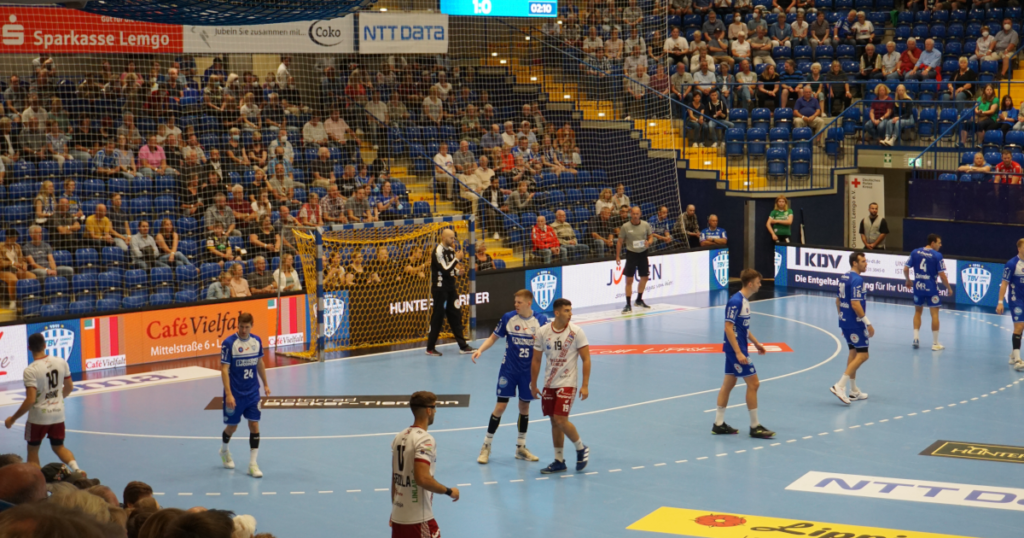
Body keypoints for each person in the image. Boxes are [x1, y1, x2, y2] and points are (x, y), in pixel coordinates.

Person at [471, 289, 547, 464]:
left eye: (519, 302)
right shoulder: (508, 318)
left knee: (524, 408)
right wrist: (480, 350)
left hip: (528, 372)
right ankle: (486, 447)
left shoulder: (541, 321)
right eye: (515, 302)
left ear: (529, 303)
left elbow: (547, 344)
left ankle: (521, 448)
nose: (516, 305)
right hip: (509, 370)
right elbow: (493, 338)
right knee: (500, 407)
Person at [4, 333, 83, 474]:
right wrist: (58, 399)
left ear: (29, 348)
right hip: (58, 415)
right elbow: (70, 386)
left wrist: (13, 419)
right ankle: (77, 470)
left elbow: (30, 399)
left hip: (38, 418)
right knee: (59, 447)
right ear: (45, 345)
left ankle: (38, 483)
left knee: (33, 450)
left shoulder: (31, 370)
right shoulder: (60, 362)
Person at [529, 298, 591, 474]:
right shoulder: (543, 332)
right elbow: (536, 360)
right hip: (550, 383)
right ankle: (559, 461)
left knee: (560, 419)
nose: (570, 314)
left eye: (570, 310)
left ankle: (581, 448)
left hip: (568, 382)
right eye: (566, 311)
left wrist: (585, 385)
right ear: (556, 313)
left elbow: (586, 359)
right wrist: (533, 384)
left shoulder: (576, 332)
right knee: (554, 422)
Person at [712, 269, 775, 438]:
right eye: (758, 282)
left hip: (738, 349)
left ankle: (718, 424)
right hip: (736, 351)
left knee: (728, 384)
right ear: (750, 283)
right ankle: (755, 427)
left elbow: (743, 327)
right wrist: (739, 352)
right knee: (754, 384)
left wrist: (756, 343)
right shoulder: (736, 301)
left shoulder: (745, 301)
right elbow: (728, 327)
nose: (760, 285)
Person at [390, 391, 459, 538]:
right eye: (434, 407)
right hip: (418, 519)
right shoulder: (425, 440)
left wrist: (395, 509)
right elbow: (422, 479)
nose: (435, 411)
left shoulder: (399, 436)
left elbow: (395, 477)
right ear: (428, 410)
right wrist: (448, 491)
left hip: (398, 519)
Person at [219, 312, 269, 479]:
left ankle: (252, 465)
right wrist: (229, 394)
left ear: (251, 326)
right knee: (232, 427)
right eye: (241, 326)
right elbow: (224, 370)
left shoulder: (256, 341)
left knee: (254, 425)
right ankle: (224, 450)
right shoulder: (229, 343)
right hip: (235, 394)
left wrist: (266, 384)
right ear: (237, 325)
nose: (243, 330)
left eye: (247, 327)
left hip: (252, 392)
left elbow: (260, 363)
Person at [830, 252, 874, 405]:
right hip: (855, 323)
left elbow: (837, 301)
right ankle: (840, 385)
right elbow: (855, 304)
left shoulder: (844, 277)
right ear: (855, 263)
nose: (866, 263)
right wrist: (867, 323)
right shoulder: (857, 279)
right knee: (863, 355)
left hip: (845, 320)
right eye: (863, 261)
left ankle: (853, 390)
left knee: (853, 353)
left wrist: (842, 320)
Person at [426, 229, 475, 356]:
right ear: (443, 237)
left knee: (456, 316)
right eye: (451, 238)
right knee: (438, 318)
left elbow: (451, 271)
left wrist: (458, 272)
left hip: (451, 288)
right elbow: (445, 269)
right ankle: (430, 348)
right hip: (440, 289)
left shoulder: (451, 250)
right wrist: (457, 260)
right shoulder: (438, 251)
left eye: (454, 238)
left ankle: (463, 346)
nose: (453, 241)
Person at [904, 234, 952, 351]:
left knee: (917, 312)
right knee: (934, 315)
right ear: (932, 243)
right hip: (931, 289)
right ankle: (935, 344)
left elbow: (905, 269)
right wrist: (949, 288)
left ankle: (915, 338)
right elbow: (942, 275)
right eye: (939, 243)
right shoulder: (937, 256)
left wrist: (908, 280)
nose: (940, 245)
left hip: (918, 288)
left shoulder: (915, 252)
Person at [616, 207, 654, 313]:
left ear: (640, 214)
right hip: (631, 254)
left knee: (645, 277)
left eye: (637, 214)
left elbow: (650, 236)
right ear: (630, 214)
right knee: (629, 280)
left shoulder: (645, 225)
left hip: (643, 254)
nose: (635, 216)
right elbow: (619, 242)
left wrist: (649, 242)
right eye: (633, 214)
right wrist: (617, 256)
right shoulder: (625, 226)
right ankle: (628, 304)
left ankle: (639, 299)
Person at [996, 239, 1024, 371]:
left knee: (1021, 327)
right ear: (1019, 248)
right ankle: (1018, 360)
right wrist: (1000, 302)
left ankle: (1013, 354)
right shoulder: (1012, 264)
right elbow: (1004, 283)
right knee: (1019, 326)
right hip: (1016, 300)